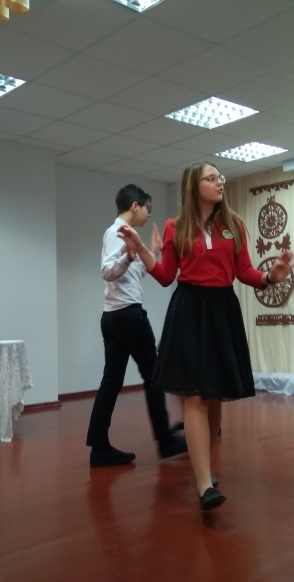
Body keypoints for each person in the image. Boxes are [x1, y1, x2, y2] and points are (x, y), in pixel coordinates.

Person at [118, 162, 293, 511]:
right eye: (211, 178)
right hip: (189, 310)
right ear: (193, 186)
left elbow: (245, 272)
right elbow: (166, 275)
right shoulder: (176, 226)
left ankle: (205, 467)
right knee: (195, 396)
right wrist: (142, 250)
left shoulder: (234, 224)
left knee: (214, 397)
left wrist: (270, 277)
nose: (219, 182)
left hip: (222, 310)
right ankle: (204, 485)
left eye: (220, 178)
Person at [86, 184, 187, 467]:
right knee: (154, 374)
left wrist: (148, 253)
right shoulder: (118, 232)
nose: (148, 213)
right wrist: (130, 255)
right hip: (128, 316)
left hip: (114, 316)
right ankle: (165, 441)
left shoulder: (125, 234)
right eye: (147, 208)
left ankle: (99, 447)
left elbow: (129, 275)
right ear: (134, 206)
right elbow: (107, 271)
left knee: (112, 381)